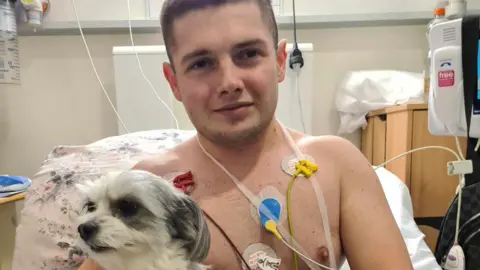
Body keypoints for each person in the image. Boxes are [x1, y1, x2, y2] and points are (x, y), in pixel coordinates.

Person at [79, 0, 413, 269]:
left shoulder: (338, 165)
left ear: (280, 61)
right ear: (174, 82)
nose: (229, 82)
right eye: (201, 63)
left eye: (248, 54)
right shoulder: (142, 189)